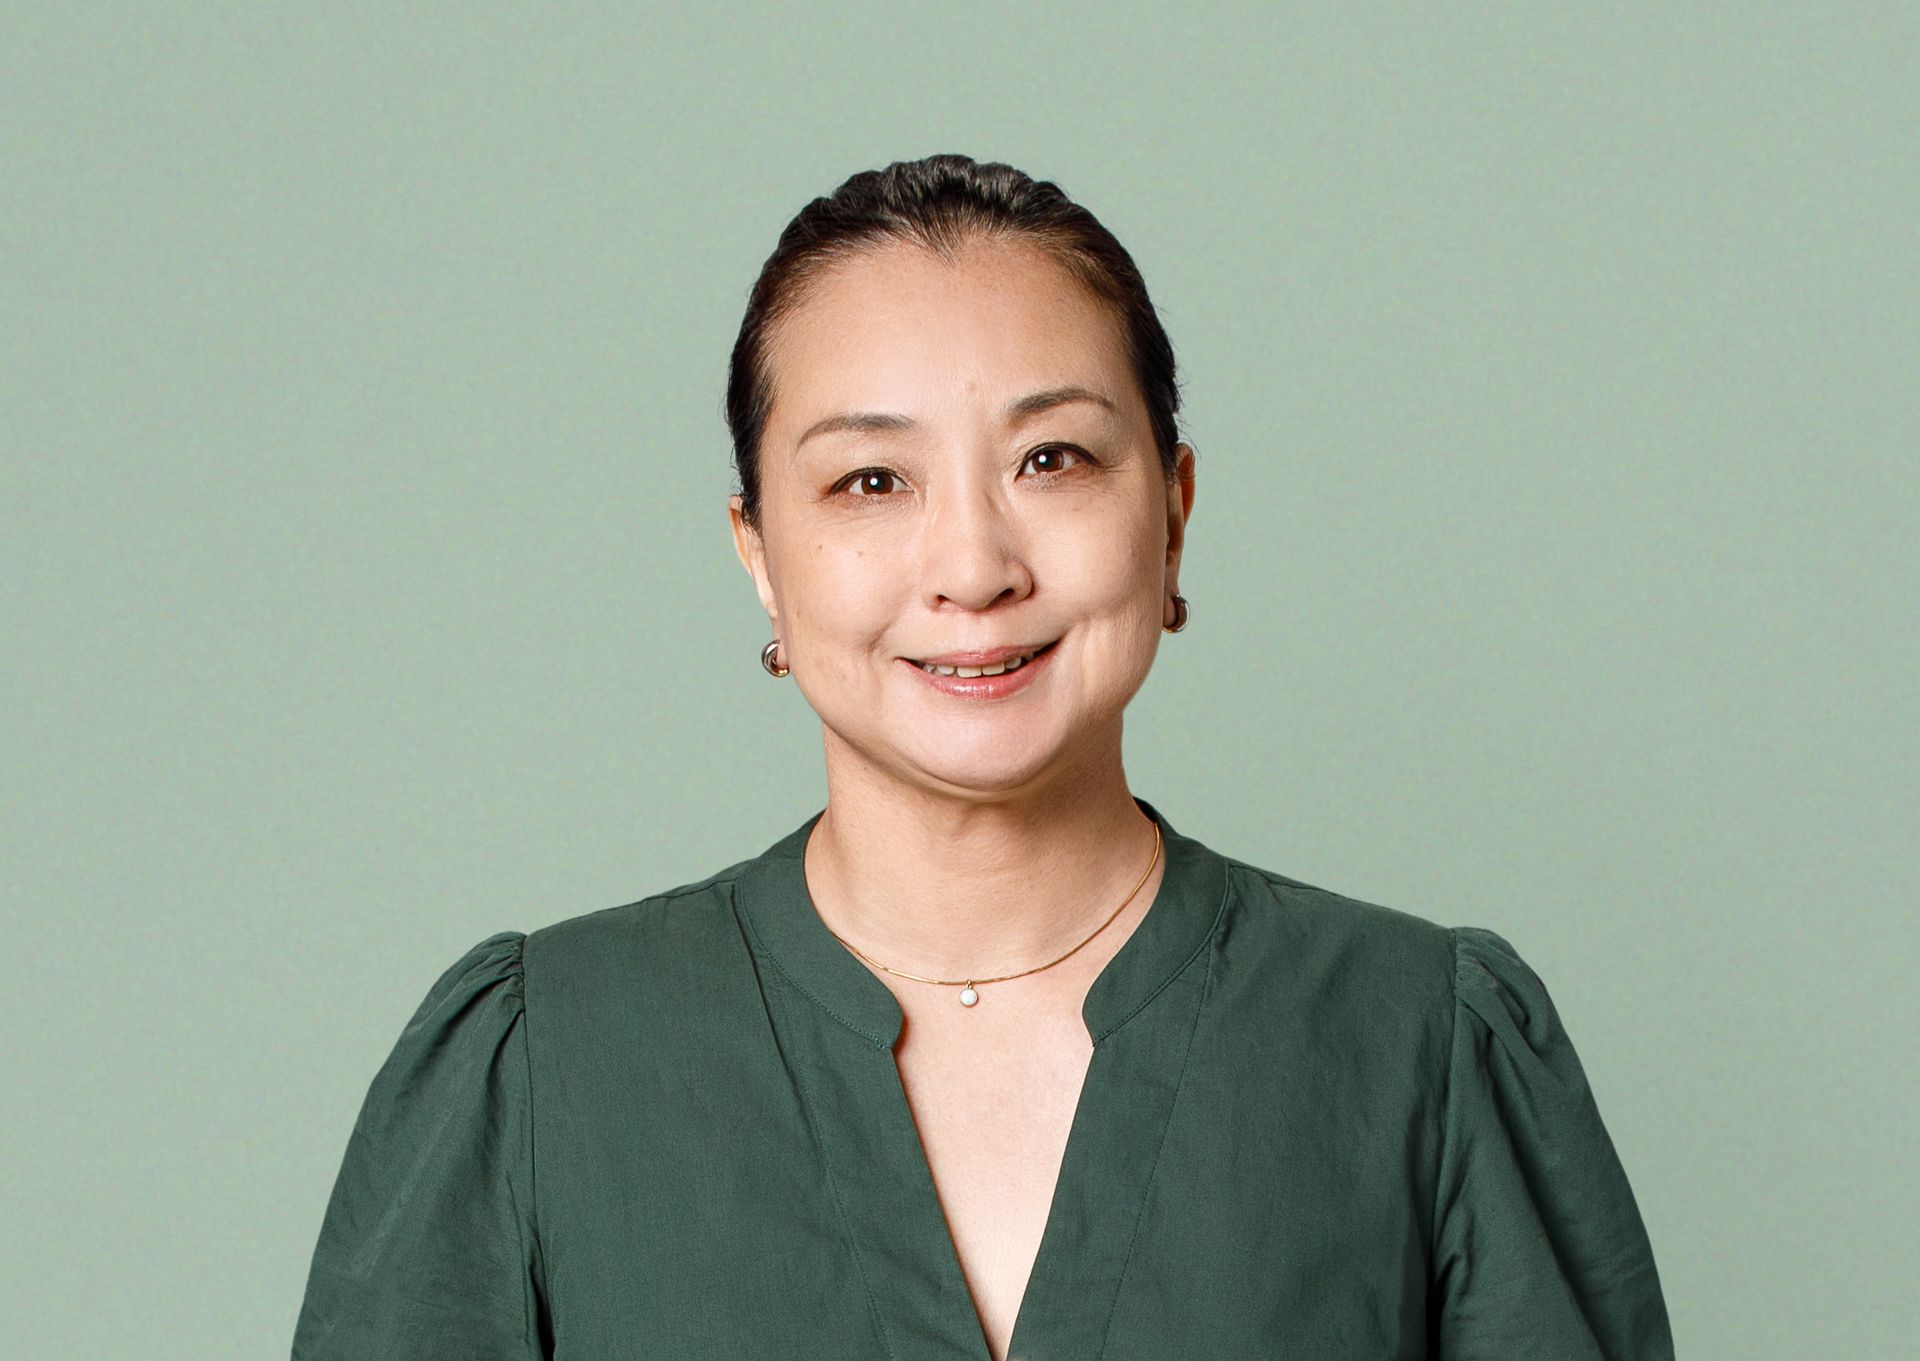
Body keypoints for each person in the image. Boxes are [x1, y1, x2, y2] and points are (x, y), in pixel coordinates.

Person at [291, 155, 1675, 1360]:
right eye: (870, 481)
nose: (972, 566)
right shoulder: (542, 1071)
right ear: (759, 557)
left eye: (1055, 458)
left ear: (1174, 514)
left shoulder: (1424, 1045)